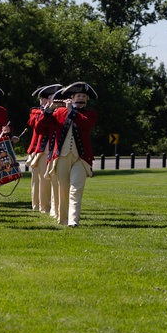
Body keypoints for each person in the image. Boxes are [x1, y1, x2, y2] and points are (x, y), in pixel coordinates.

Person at [46, 82, 98, 227]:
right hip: (62, 156)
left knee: (76, 189)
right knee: (63, 189)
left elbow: (85, 125)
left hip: (81, 158)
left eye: (83, 96)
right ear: (72, 97)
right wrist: (49, 110)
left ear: (87, 99)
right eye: (78, 96)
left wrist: (71, 111)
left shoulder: (90, 114)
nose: (81, 98)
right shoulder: (60, 112)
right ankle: (63, 219)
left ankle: (73, 221)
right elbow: (41, 126)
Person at [27, 84, 62, 215]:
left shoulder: (59, 111)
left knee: (52, 180)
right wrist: (47, 111)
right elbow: (36, 125)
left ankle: (52, 206)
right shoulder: (36, 112)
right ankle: (42, 206)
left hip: (55, 148)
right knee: (40, 181)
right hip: (41, 149)